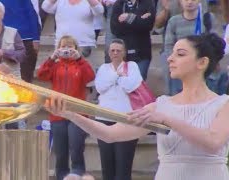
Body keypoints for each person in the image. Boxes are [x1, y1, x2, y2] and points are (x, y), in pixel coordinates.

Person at [45, 33, 229, 180]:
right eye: (171, 53)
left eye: (180, 54)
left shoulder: (223, 104)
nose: (170, 59)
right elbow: (110, 134)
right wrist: (70, 114)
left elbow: (213, 143)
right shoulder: (162, 105)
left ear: (202, 62)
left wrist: (167, 119)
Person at [37, 35, 95, 180]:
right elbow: (41, 75)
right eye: (63, 46)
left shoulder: (81, 64)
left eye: (70, 47)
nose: (67, 49)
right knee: (61, 152)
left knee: (76, 149)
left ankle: (78, 175)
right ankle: (61, 177)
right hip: (57, 113)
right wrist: (51, 58)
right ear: (58, 49)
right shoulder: (55, 65)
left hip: (78, 113)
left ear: (76, 49)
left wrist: (80, 59)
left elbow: (90, 78)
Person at [95, 39, 142, 180]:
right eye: (112, 50)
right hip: (103, 119)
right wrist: (117, 76)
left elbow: (131, 85)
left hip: (126, 119)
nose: (115, 53)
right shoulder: (103, 68)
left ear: (124, 53)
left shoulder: (132, 66)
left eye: (118, 50)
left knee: (123, 168)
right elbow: (100, 87)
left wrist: (114, 80)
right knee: (107, 166)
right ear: (109, 53)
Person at [164, 0, 218, 95]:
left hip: (203, 71)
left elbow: (215, 45)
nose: (189, 2)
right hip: (181, 72)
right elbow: (168, 46)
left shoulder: (208, 18)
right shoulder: (174, 21)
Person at [110, 0, 156, 80]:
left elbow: (148, 25)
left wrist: (128, 17)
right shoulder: (119, 4)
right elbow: (115, 29)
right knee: (123, 86)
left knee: (139, 85)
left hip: (142, 54)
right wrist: (139, 19)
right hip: (123, 56)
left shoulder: (147, 3)